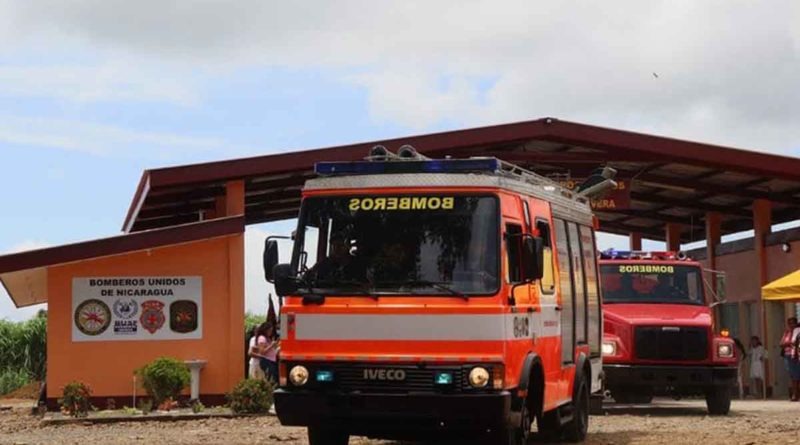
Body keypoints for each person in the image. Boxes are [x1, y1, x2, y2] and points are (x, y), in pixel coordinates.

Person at [779, 317, 800, 401]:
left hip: (797, 355)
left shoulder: (798, 332)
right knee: (792, 375)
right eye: (790, 324)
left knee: (796, 375)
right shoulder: (787, 332)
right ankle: (795, 394)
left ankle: (795, 394)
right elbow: (781, 344)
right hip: (788, 355)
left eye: (793, 323)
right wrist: (789, 343)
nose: (791, 325)